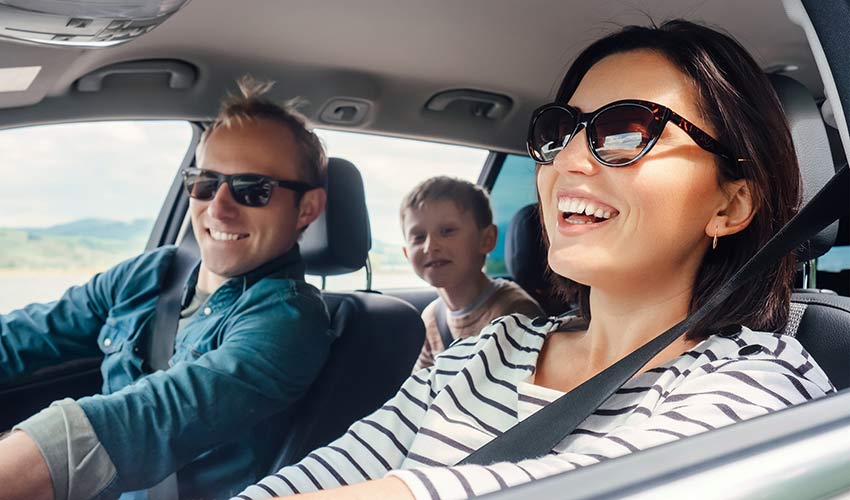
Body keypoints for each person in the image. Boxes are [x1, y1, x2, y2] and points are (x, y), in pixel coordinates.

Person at [232, 20, 836, 500]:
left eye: (627, 131)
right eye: (559, 131)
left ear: (730, 205)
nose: (566, 162)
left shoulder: (759, 378)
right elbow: (323, 475)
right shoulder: (480, 354)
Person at [0, 76, 333, 500]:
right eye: (205, 183)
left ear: (307, 207)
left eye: (253, 190)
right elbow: (30, 333)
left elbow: (152, 417)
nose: (219, 208)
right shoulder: (150, 275)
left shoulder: (288, 320)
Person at [400, 176, 543, 370]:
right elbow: (421, 387)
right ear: (406, 253)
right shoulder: (432, 317)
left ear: (486, 239)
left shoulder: (515, 313)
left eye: (447, 231)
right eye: (418, 237)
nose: (430, 246)